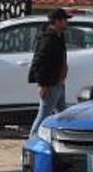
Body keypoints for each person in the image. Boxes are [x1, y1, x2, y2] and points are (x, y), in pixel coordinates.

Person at [28, 9, 70, 137]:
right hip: (50, 84)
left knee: (63, 114)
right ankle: (33, 138)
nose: (67, 23)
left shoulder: (59, 36)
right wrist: (43, 84)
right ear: (57, 21)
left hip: (59, 83)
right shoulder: (48, 39)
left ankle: (65, 137)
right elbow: (39, 62)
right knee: (44, 114)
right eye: (65, 20)